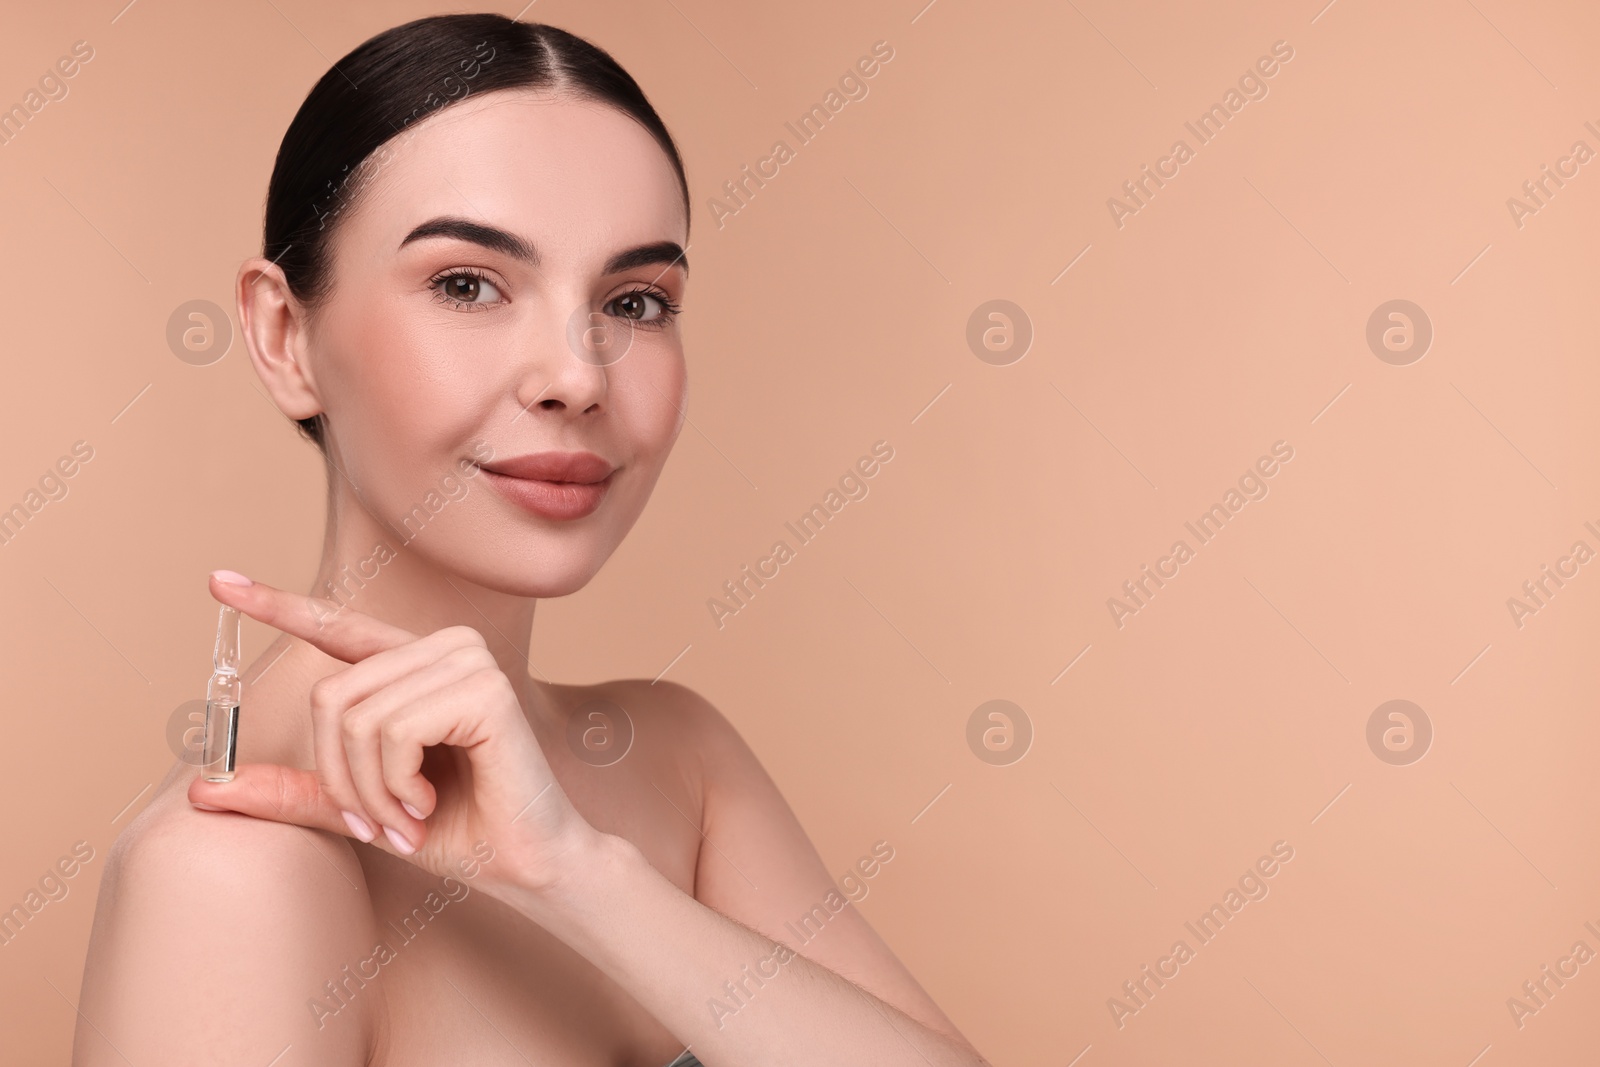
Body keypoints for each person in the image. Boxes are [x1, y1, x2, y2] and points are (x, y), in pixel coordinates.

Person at [74, 13, 988, 1066]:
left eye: (634, 299)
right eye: (467, 283)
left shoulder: (679, 763)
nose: (579, 375)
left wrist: (576, 873)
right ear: (285, 336)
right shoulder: (232, 875)